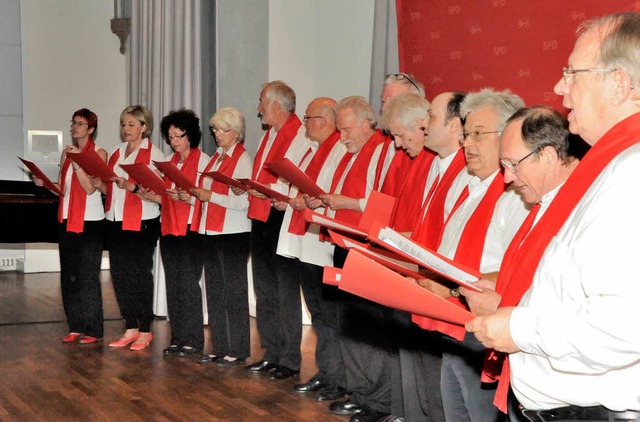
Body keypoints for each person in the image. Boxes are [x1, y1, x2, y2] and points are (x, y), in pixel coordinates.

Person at [466, 12, 640, 421]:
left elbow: (625, 322)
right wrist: (516, 305)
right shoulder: (611, 165)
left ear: (618, 84)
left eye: (572, 73)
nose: (561, 88)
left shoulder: (631, 171)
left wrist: (520, 328)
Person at [416, 88, 527, 422]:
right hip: (455, 323)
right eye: (466, 134)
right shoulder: (468, 188)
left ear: (509, 137)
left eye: (479, 134)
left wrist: (451, 288)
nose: (467, 143)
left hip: (483, 329)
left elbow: (517, 274)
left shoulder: (516, 199)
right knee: (454, 413)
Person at [459, 105, 578, 413]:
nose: (508, 177)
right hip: (533, 381)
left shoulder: (577, 206)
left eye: (512, 164)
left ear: (549, 157)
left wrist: (500, 305)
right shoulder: (543, 202)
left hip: (564, 394)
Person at [315, 96, 395, 421]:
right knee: (349, 323)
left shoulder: (380, 150)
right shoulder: (355, 152)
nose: (343, 137)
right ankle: (360, 392)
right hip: (344, 243)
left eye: (347, 130)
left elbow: (383, 201)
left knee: (366, 327)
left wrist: (344, 202)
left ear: (366, 123)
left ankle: (376, 401)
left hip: (365, 247)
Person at [272, 97, 349, 399]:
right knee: (317, 313)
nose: (304, 123)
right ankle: (325, 371)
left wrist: (310, 199)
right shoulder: (313, 150)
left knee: (329, 314)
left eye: (308, 117)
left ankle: (337, 377)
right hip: (306, 239)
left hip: (323, 242)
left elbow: (336, 193)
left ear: (326, 119)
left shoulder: (339, 150)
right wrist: (290, 198)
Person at [244, 81, 312, 380]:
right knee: (264, 288)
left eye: (262, 101)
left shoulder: (299, 133)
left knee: (285, 290)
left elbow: (299, 175)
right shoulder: (269, 134)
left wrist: (268, 189)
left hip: (282, 218)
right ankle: (271, 351)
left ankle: (290, 357)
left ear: (276, 105)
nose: (259, 107)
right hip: (261, 216)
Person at [36, 109, 107, 344]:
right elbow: (62, 189)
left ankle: (94, 329)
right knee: (69, 277)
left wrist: (77, 163)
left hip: (90, 222)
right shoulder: (67, 153)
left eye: (80, 123)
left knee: (88, 277)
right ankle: (75, 325)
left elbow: (89, 189)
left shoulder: (99, 153)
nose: (75, 127)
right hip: (66, 219)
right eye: (73, 122)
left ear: (91, 129)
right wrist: (45, 183)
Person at [144, 109, 209, 357]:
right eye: (170, 137)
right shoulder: (169, 164)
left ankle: (193, 340)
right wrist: (154, 195)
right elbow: (165, 194)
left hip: (192, 228)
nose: (174, 142)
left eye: (178, 136)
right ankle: (178, 338)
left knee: (188, 285)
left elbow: (206, 198)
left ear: (190, 135)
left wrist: (188, 197)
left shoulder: (203, 161)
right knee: (174, 284)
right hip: (169, 227)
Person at [99, 105, 164, 351]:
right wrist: (101, 184)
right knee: (120, 275)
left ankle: (145, 329)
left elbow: (159, 193)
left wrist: (132, 187)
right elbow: (111, 190)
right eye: (123, 124)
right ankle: (130, 326)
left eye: (131, 124)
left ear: (144, 127)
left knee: (139, 275)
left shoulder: (154, 155)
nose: (125, 129)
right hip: (115, 219)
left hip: (142, 222)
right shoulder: (116, 152)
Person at [190, 107, 252, 366]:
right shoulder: (216, 158)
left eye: (222, 130)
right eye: (214, 129)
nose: (216, 134)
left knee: (233, 292)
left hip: (233, 233)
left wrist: (209, 196)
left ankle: (237, 349)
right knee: (215, 290)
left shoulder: (243, 160)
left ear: (236, 133)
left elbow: (243, 203)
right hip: (211, 230)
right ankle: (220, 345)